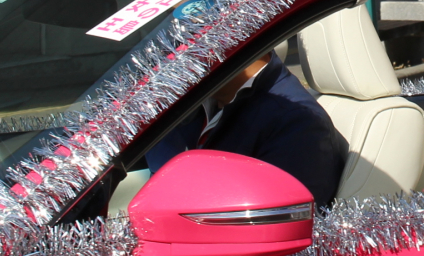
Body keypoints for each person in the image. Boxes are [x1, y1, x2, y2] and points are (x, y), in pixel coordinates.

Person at [145, 51, 347, 205]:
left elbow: (275, 230)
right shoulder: (200, 101)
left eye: (189, 43)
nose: (172, 58)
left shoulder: (295, 124)